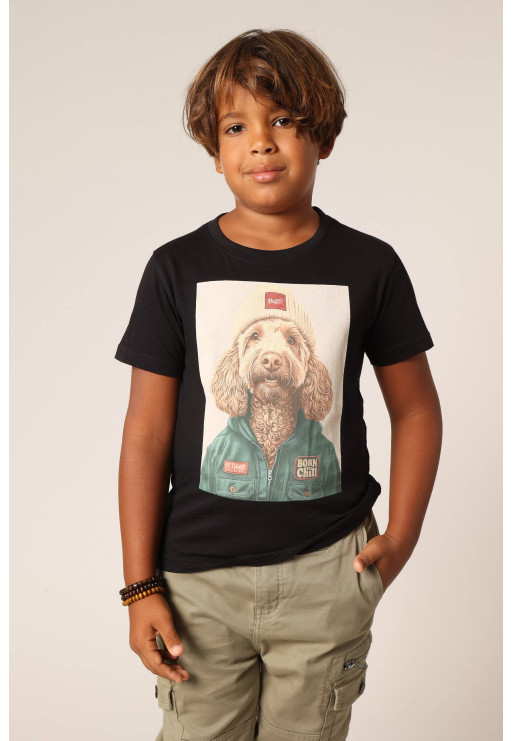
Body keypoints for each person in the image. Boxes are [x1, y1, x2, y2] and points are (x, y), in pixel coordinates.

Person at [115, 28, 443, 741]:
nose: (261, 143)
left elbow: (416, 408)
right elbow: (145, 432)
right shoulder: (174, 269)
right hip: (197, 582)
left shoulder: (370, 266)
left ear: (324, 137)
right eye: (236, 127)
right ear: (214, 149)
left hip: (328, 571)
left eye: (284, 120)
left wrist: (403, 535)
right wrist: (139, 586)